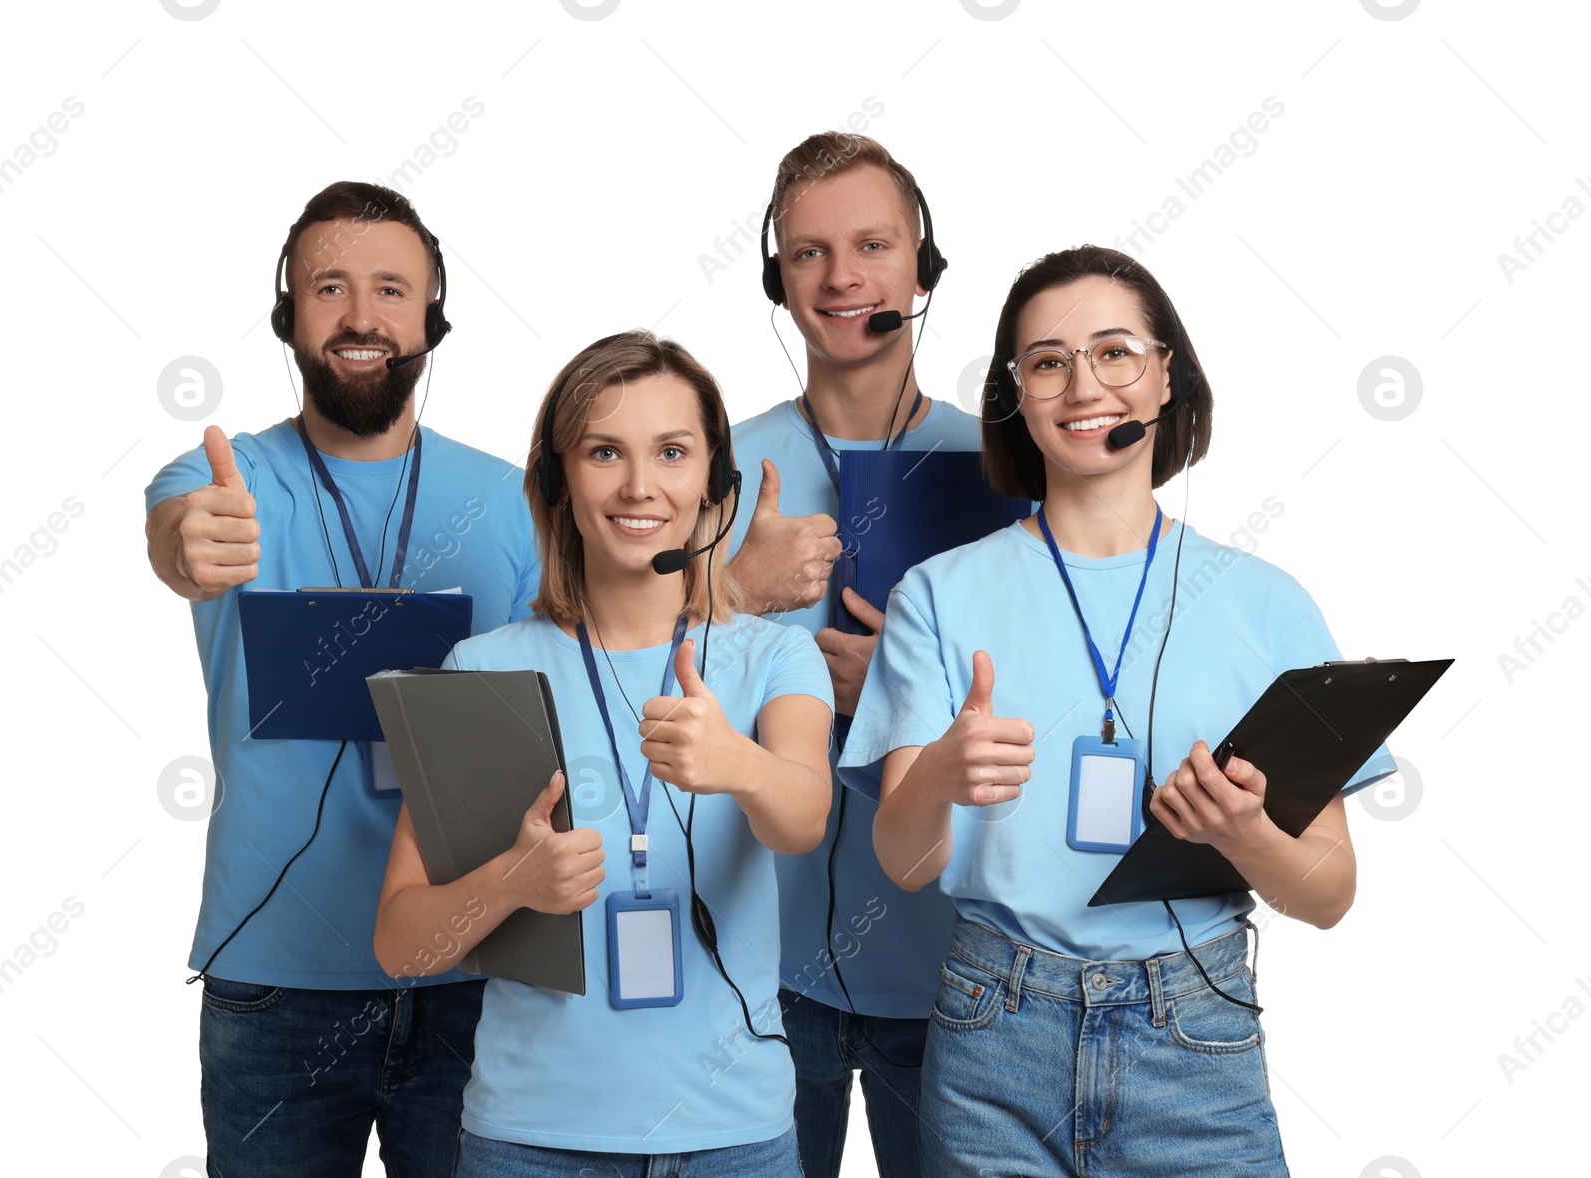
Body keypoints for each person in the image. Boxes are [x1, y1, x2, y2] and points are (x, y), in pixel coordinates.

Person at [841, 245, 1397, 1177]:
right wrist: (938, 773)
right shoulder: (938, 596)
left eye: (1115, 351)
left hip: (1196, 1035)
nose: (1084, 385)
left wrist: (1244, 834)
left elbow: (1329, 894)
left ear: (1165, 372)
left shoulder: (1268, 602)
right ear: (1017, 395)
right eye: (1048, 362)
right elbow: (905, 861)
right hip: (994, 1035)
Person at [144, 181, 538, 1177]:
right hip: (272, 982)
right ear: (288, 315)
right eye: (330, 287)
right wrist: (192, 544)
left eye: (390, 290)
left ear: (430, 320)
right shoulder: (219, 481)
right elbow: (179, 537)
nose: (361, 315)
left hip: (471, 970)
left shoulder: (512, 499)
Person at [374, 329, 835, 1176]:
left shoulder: (776, 657)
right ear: (556, 481)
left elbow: (804, 816)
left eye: (671, 452)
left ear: (712, 483)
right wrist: (510, 883)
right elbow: (402, 943)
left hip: (733, 1140)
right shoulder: (484, 670)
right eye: (603, 452)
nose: (638, 485)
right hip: (533, 1143)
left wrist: (740, 764)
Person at [727, 132, 980, 1177]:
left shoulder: (1006, 470)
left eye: (872, 244)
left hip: (956, 980)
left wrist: (900, 697)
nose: (842, 278)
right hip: (751, 974)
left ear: (923, 266)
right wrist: (730, 590)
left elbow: (1061, 707)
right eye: (808, 253)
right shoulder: (709, 468)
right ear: (776, 278)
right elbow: (609, 677)